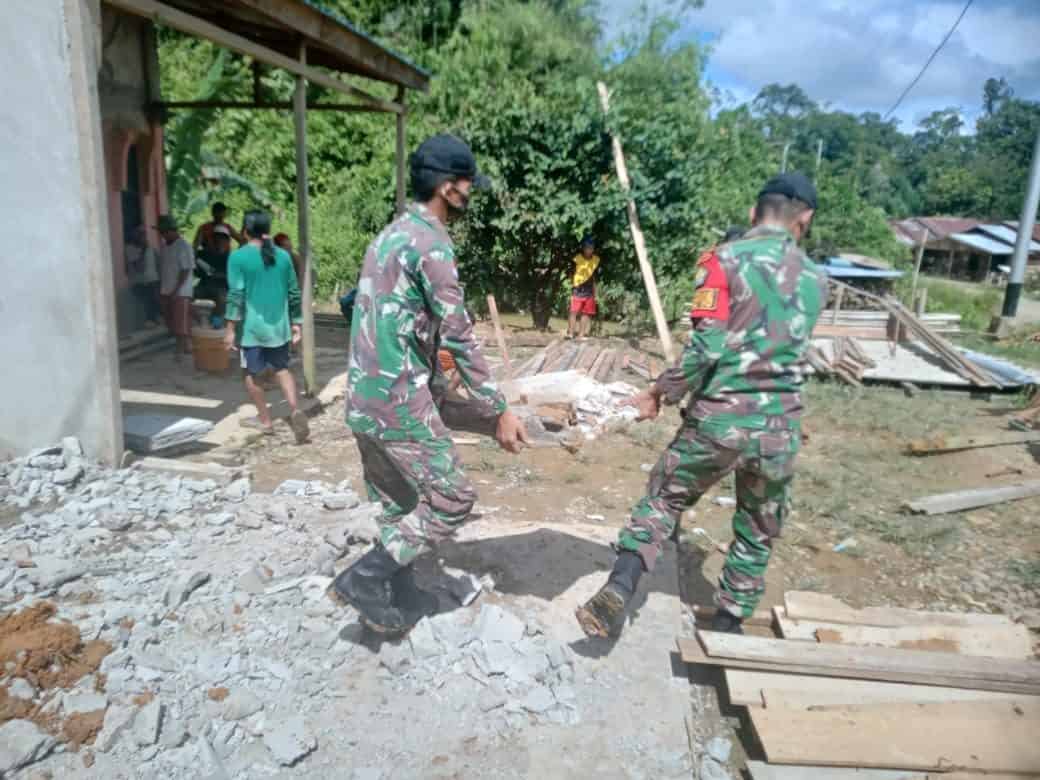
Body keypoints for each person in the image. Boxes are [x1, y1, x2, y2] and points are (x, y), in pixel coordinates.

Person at [575, 172, 828, 638]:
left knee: (664, 496)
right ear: (804, 219)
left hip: (720, 419)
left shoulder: (724, 261)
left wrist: (657, 393)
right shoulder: (816, 279)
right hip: (779, 431)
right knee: (758, 525)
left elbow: (707, 348)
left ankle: (619, 587)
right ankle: (730, 624)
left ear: (754, 214)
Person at [330, 134, 528, 634]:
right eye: (467, 186)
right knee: (453, 498)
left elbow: (381, 317)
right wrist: (498, 408)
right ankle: (365, 577)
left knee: (400, 503)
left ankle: (399, 591)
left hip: (363, 399)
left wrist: (456, 400)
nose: (470, 196)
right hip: (399, 403)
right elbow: (458, 332)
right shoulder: (432, 243)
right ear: (448, 187)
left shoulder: (388, 237)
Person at [223, 209, 310, 444]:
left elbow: (236, 295)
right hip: (279, 328)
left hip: (251, 330)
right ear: (267, 230)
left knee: (251, 374)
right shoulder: (282, 256)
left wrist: (230, 329)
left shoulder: (238, 257)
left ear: (245, 230)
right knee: (282, 369)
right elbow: (293, 292)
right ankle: (294, 410)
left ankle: (265, 421)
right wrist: (297, 323)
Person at [156, 214, 195, 360]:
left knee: (181, 321)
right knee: (171, 320)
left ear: (171, 231)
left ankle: (180, 350)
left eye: (164, 232)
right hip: (166, 288)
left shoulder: (183, 246)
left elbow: (186, 270)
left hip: (181, 291)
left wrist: (176, 289)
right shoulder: (165, 247)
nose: (162, 235)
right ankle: (186, 346)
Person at [195, 223, 232, 323]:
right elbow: (197, 271)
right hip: (204, 285)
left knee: (221, 298)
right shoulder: (204, 254)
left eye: (223, 238)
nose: (219, 240)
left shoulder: (231, 257)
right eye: (217, 237)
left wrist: (218, 275)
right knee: (192, 294)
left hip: (222, 288)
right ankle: (197, 322)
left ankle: (218, 321)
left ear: (227, 240)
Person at [125, 225, 161, 327]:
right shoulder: (130, 249)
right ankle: (150, 320)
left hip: (154, 280)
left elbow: (159, 264)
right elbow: (139, 267)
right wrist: (144, 250)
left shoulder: (150, 248)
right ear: (133, 236)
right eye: (140, 234)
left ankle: (155, 319)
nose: (143, 236)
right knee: (149, 298)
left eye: (144, 234)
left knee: (158, 298)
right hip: (140, 283)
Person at [566, 237, 600, 339]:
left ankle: (581, 335)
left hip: (589, 290)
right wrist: (573, 284)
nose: (589, 250)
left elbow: (595, 277)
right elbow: (571, 273)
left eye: (591, 248)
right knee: (573, 312)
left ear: (593, 249)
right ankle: (570, 333)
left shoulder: (596, 260)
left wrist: (596, 293)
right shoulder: (577, 259)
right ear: (583, 248)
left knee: (586, 313)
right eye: (587, 247)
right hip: (578, 289)